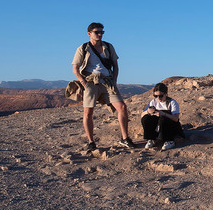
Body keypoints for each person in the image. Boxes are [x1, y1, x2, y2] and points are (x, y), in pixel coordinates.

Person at [71, 22, 137, 151]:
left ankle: (125, 138)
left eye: (102, 32)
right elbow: (75, 68)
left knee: (122, 107)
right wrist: (83, 82)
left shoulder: (108, 46)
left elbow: (115, 65)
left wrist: (114, 80)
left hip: (107, 81)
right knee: (88, 112)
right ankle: (91, 142)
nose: (100, 34)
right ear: (89, 33)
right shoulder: (83, 48)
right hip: (91, 82)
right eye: (97, 32)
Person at [140, 82, 183, 150]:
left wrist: (164, 114)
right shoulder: (153, 102)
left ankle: (169, 140)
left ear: (165, 94)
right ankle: (152, 138)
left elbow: (175, 119)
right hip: (158, 125)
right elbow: (142, 115)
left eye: (160, 96)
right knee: (145, 118)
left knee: (163, 119)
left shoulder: (172, 102)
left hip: (170, 125)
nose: (158, 98)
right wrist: (147, 111)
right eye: (156, 96)